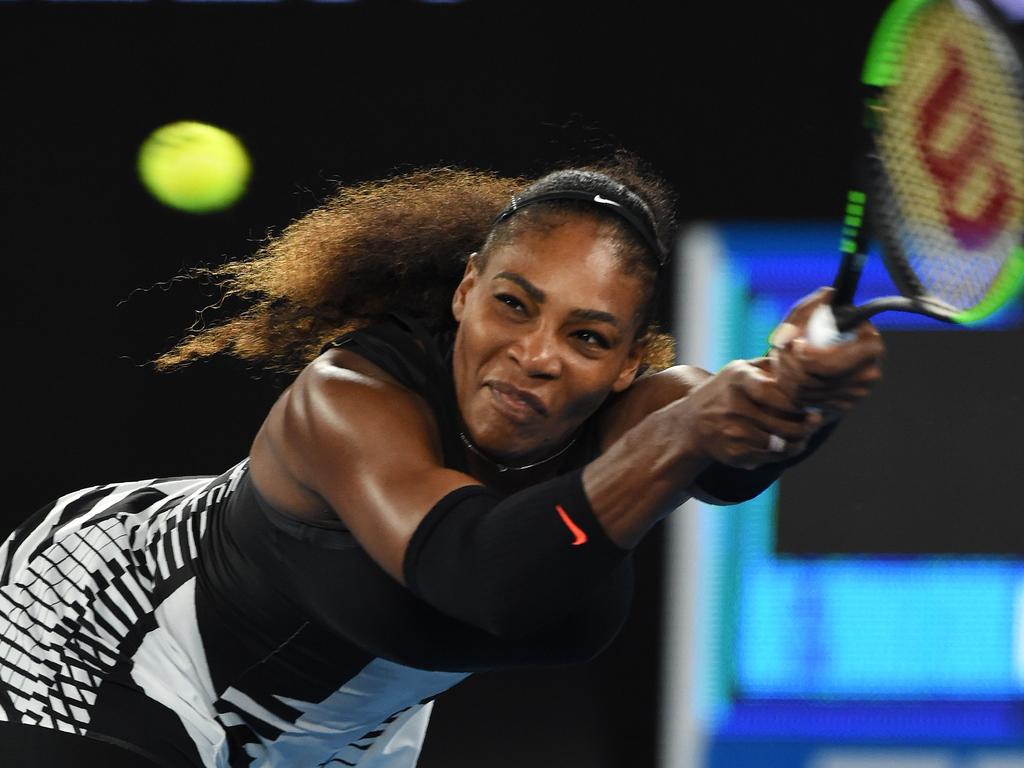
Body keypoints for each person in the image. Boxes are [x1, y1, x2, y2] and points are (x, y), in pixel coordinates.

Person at [0, 156, 883, 768]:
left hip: (336, 729)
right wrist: (685, 436)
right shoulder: (345, 398)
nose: (536, 354)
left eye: (587, 336)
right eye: (512, 304)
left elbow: (740, 451)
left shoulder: (640, 412)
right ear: (466, 290)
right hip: (107, 628)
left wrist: (802, 390)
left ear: (628, 363)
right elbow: (480, 573)